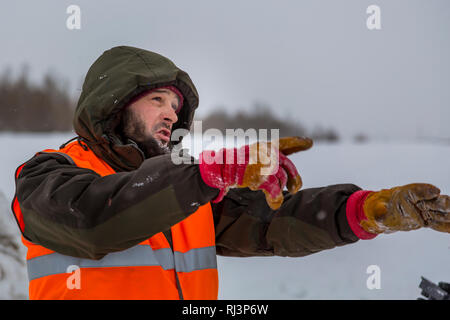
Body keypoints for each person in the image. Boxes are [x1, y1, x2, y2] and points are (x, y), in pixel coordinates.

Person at [11, 46, 450, 300]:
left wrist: (365, 210)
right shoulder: (48, 175)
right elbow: (94, 221)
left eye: (176, 107)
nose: (170, 114)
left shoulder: (180, 187)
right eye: (157, 100)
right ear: (113, 103)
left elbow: (271, 223)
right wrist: (207, 173)